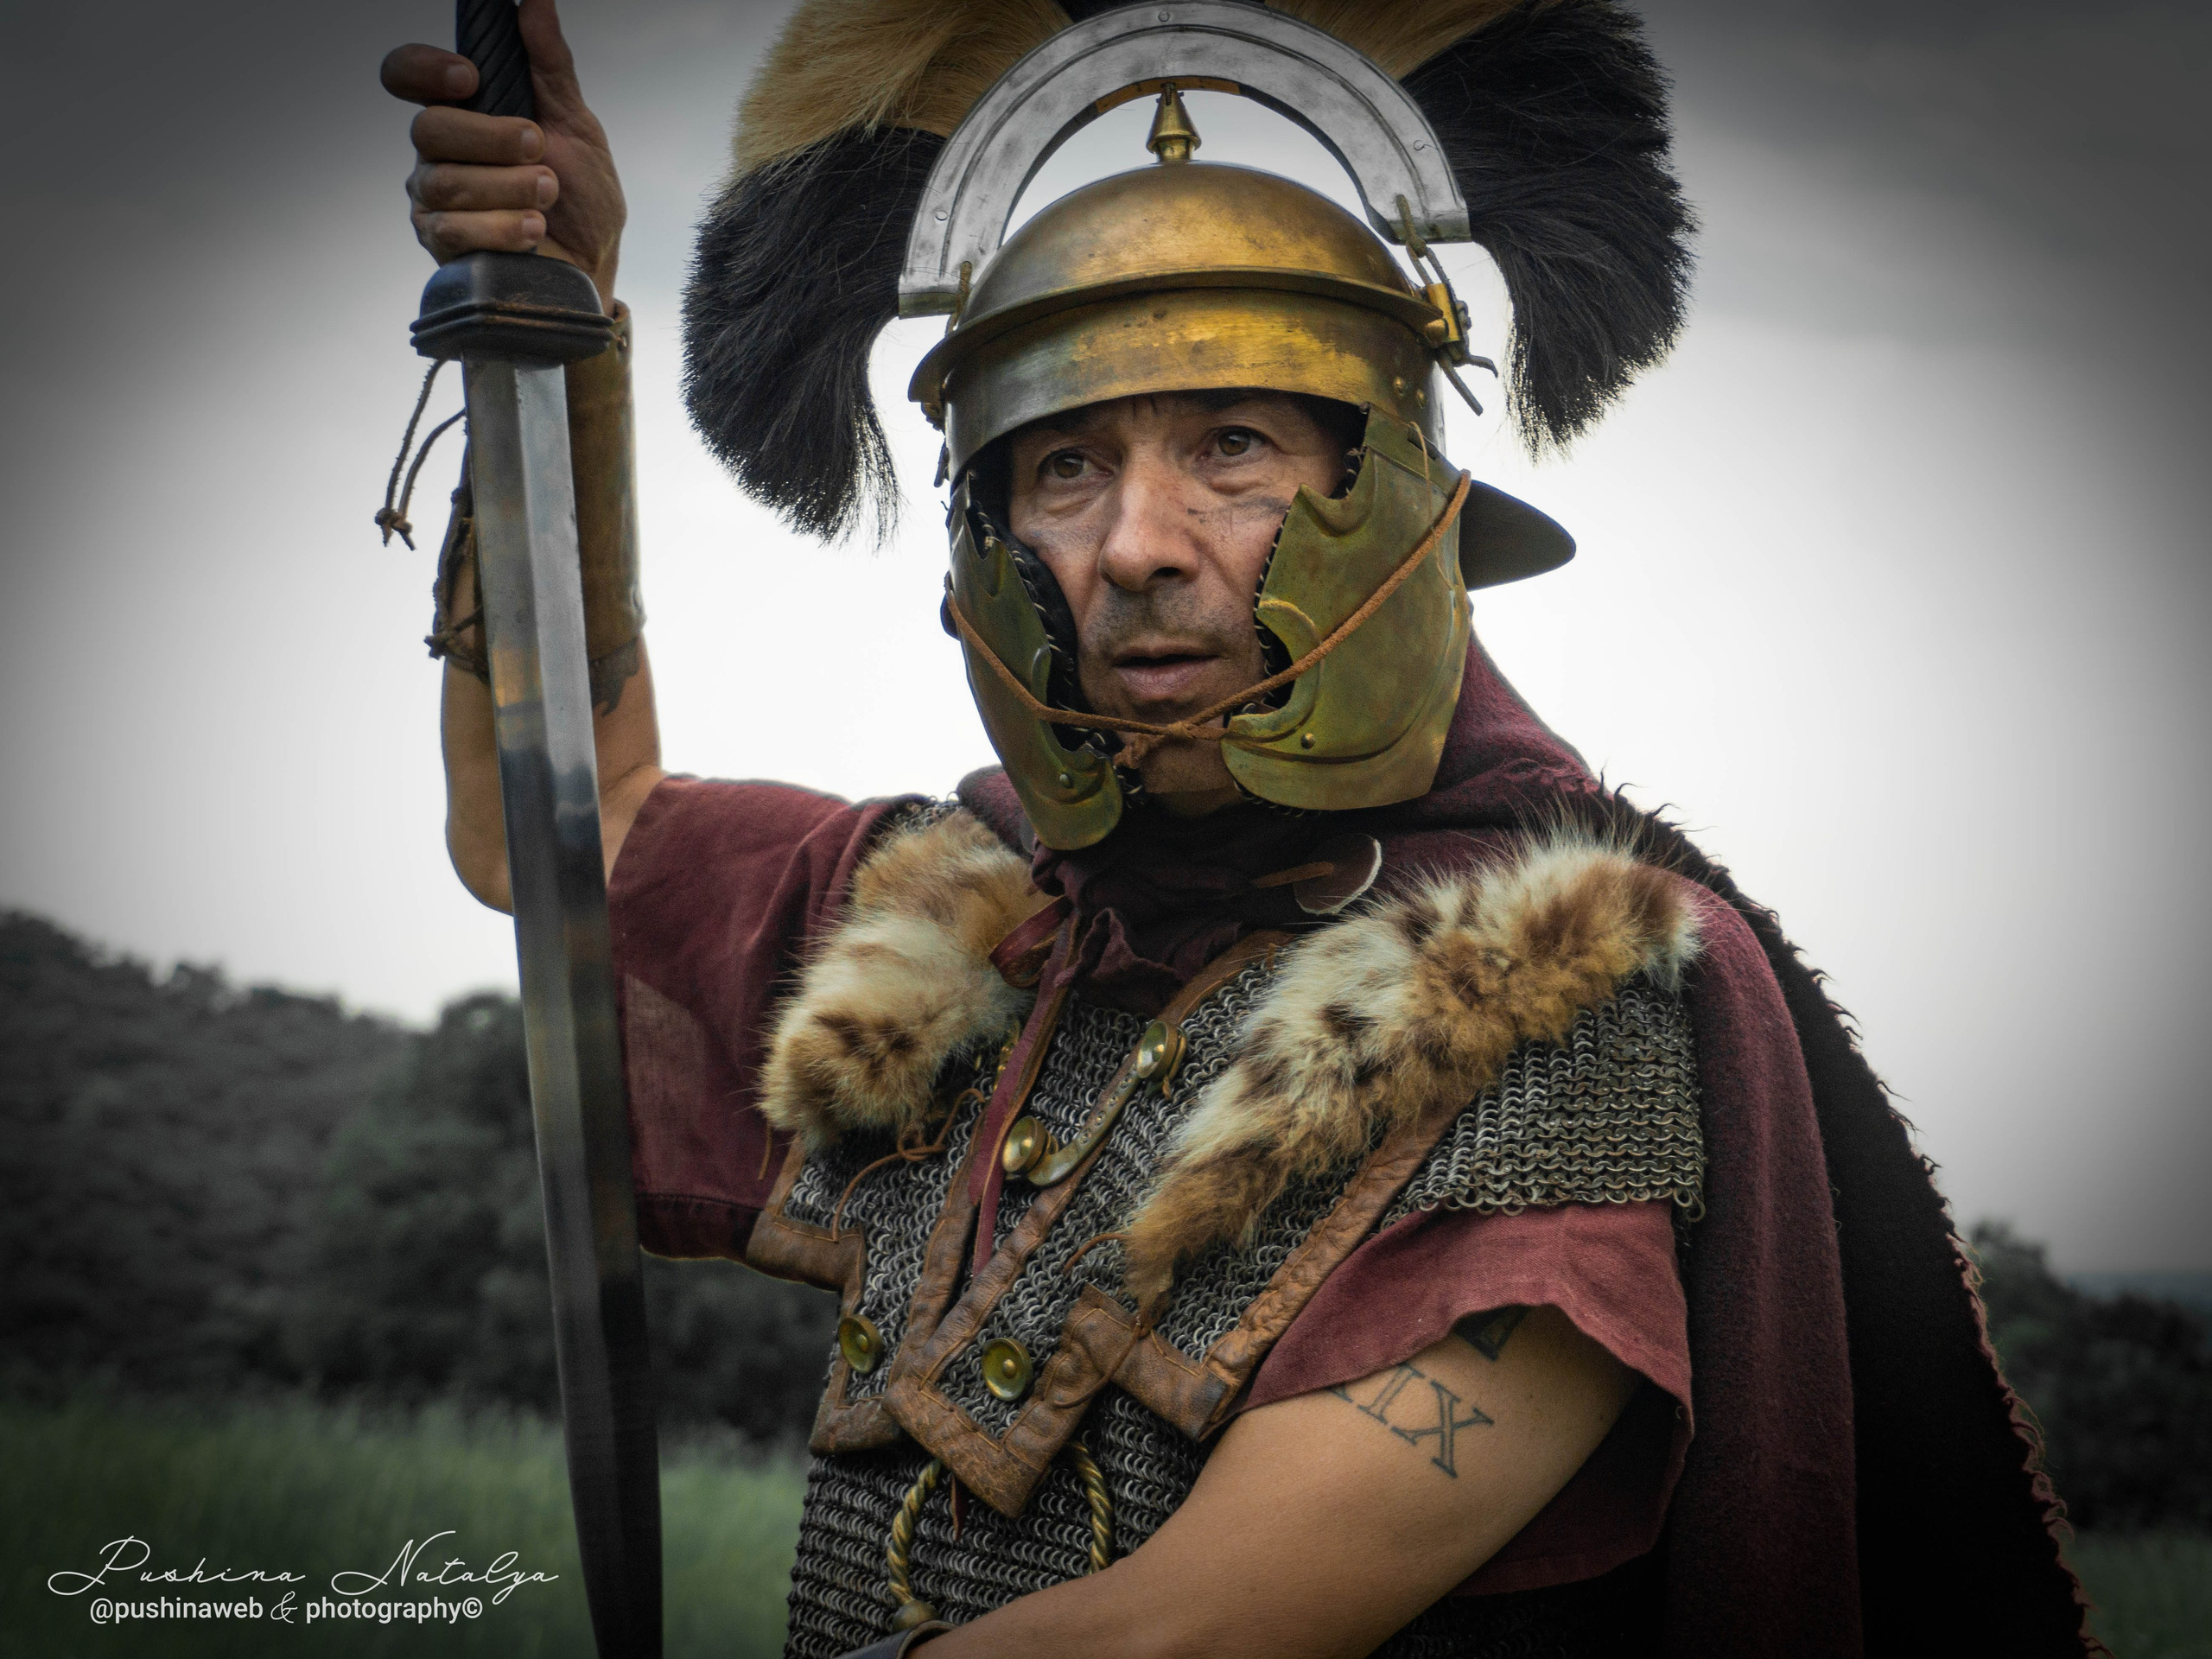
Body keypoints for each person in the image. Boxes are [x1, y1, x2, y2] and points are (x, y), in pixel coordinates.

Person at [382, 3, 2096, 1655]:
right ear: (988, 544)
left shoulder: (1538, 998)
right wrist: (560, 341)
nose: (1134, 541)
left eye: (1230, 445)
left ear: (1404, 511)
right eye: (1060, 467)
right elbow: (555, 830)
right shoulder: (959, 921)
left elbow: (1190, 1633)